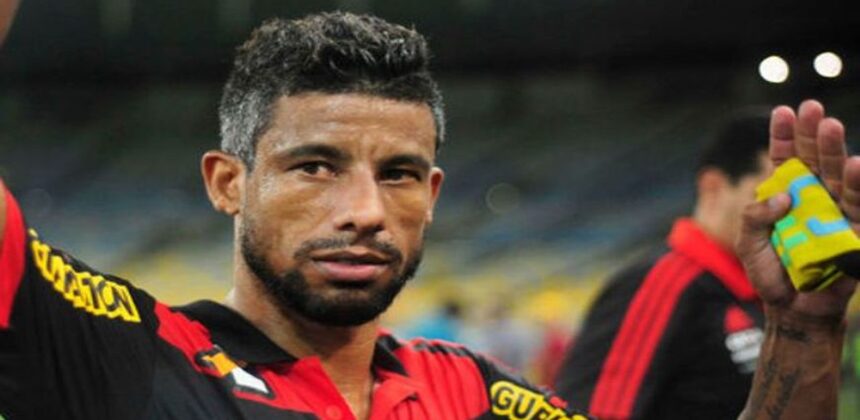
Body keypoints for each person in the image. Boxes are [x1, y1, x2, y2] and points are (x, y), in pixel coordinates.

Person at [0, 9, 855, 420]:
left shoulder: (475, 397)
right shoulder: (120, 358)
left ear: (434, 196)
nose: (366, 211)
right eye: (315, 167)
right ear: (229, 182)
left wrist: (804, 335)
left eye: (400, 174)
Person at [554, 111, 773, 419]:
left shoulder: (769, 293)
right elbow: (589, 413)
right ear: (713, 187)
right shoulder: (661, 284)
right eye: (772, 196)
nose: (786, 211)